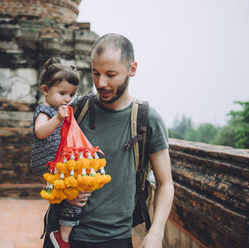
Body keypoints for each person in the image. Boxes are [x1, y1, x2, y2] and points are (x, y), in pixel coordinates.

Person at [42, 33, 174, 248]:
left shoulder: (146, 120)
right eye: (96, 73)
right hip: (64, 235)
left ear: (132, 69)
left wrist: (156, 232)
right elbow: (45, 158)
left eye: (111, 74)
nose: (101, 83)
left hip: (115, 238)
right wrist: (63, 192)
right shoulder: (75, 110)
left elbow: (165, 183)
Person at [30, 57, 85, 248]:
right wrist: (57, 119)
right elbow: (40, 131)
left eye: (71, 94)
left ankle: (64, 234)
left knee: (74, 197)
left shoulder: (62, 111)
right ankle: (63, 237)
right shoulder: (44, 110)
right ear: (45, 90)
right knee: (74, 196)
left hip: (57, 163)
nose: (67, 99)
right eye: (62, 93)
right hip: (46, 162)